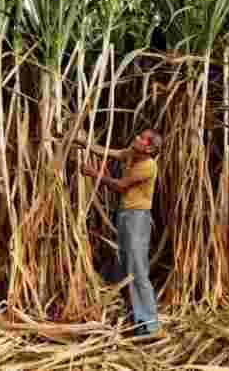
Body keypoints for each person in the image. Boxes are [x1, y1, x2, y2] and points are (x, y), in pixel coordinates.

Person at [76, 129, 164, 337]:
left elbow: (120, 186)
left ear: (150, 148)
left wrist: (93, 173)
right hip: (126, 215)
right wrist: (83, 142)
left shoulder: (147, 165)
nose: (136, 138)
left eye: (141, 138)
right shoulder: (133, 154)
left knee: (138, 268)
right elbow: (111, 152)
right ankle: (139, 320)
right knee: (127, 264)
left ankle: (151, 325)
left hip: (137, 218)